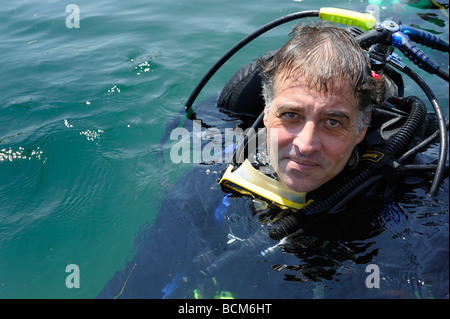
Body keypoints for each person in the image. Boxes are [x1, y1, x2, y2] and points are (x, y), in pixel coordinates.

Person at [259, 24, 386, 193]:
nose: (305, 146)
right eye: (291, 114)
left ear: (362, 126)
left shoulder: (404, 194)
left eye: (332, 122)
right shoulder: (225, 155)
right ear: (267, 112)